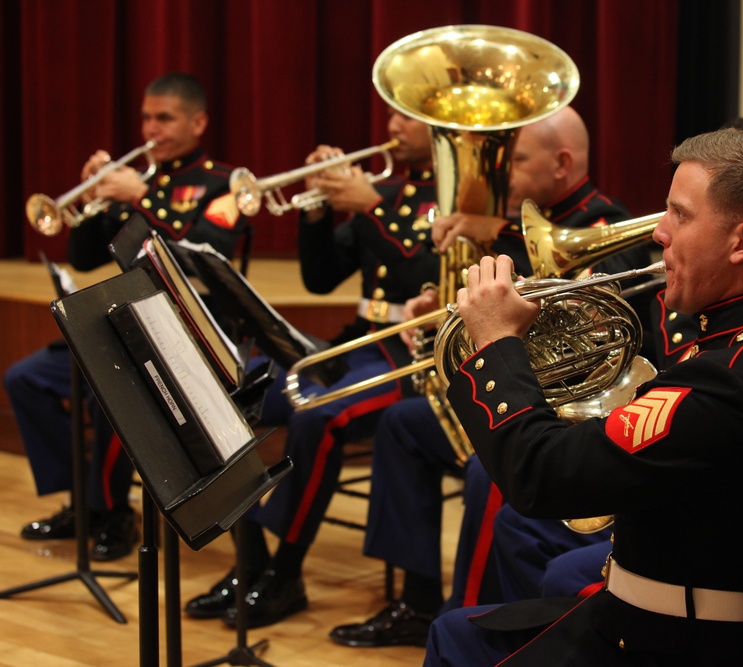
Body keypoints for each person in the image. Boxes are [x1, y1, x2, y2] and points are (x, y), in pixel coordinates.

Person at [424, 127, 743, 666]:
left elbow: (541, 477)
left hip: (665, 644)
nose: (658, 232)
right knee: (459, 630)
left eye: (679, 215)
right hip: (662, 615)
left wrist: (497, 343)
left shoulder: (731, 379)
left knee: (456, 642)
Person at [328, 106, 653, 648]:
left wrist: (496, 232)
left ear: (562, 162)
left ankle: (472, 620)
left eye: (518, 159)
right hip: (530, 391)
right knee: (405, 425)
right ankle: (417, 596)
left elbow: (611, 335)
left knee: (489, 470)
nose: (505, 174)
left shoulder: (602, 223)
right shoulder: (524, 221)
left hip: (579, 411)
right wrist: (446, 311)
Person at [183, 108, 442, 629]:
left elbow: (428, 270)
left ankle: (285, 574)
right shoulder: (389, 194)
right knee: (227, 394)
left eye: (407, 117)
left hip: (412, 352)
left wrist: (370, 209)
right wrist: (319, 210)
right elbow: (320, 279)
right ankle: (250, 556)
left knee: (317, 416)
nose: (392, 126)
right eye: (389, 113)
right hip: (357, 343)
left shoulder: (460, 201)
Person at [5, 72, 248, 561]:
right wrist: (94, 200)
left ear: (198, 122)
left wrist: (140, 197)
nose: (151, 129)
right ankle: (84, 502)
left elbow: (205, 250)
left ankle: (112, 510)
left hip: (189, 334)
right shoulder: (139, 181)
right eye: (145, 117)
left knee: (110, 391)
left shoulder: (226, 184)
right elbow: (84, 256)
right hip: (125, 326)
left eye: (165, 118)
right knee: (25, 379)